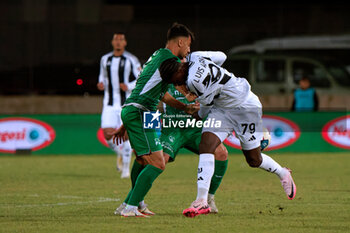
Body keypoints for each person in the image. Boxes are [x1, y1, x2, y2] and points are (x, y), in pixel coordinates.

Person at [159, 52, 297, 218]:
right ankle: (201, 201)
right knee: (206, 144)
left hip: (244, 106)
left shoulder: (193, 82)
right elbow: (222, 56)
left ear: (179, 71)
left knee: (254, 160)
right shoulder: (195, 56)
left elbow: (203, 110)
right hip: (222, 109)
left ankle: (283, 173)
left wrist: (192, 105)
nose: (177, 84)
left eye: (175, 80)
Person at [113, 51, 229, 216]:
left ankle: (208, 199)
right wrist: (127, 125)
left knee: (221, 152)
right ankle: (130, 202)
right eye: (184, 54)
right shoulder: (166, 71)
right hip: (170, 127)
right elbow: (150, 99)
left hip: (193, 127)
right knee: (151, 161)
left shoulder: (195, 74)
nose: (186, 56)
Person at [110, 23, 198, 217]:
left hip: (144, 111)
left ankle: (133, 203)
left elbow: (162, 95)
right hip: (140, 111)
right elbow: (176, 84)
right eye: (189, 45)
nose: (189, 50)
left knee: (143, 160)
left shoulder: (158, 55)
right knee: (158, 163)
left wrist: (125, 124)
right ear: (181, 42)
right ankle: (130, 208)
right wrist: (188, 101)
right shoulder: (170, 60)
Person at [97, 32, 141, 178]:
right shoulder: (105, 59)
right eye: (115, 39)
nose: (118, 42)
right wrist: (101, 83)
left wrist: (128, 86)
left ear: (125, 43)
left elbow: (141, 79)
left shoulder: (131, 60)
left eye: (121, 39)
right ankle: (120, 153)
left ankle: (126, 170)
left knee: (126, 135)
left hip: (125, 104)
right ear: (112, 42)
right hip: (109, 103)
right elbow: (102, 76)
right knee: (107, 135)